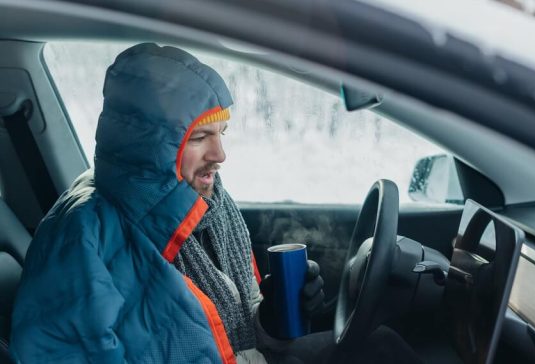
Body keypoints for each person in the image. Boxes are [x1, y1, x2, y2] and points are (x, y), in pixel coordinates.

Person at [9, 43, 325, 364]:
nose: (220, 155)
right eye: (199, 138)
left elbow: (229, 333)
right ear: (148, 147)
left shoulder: (208, 205)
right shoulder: (81, 239)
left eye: (222, 134)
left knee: (378, 343)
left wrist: (271, 318)